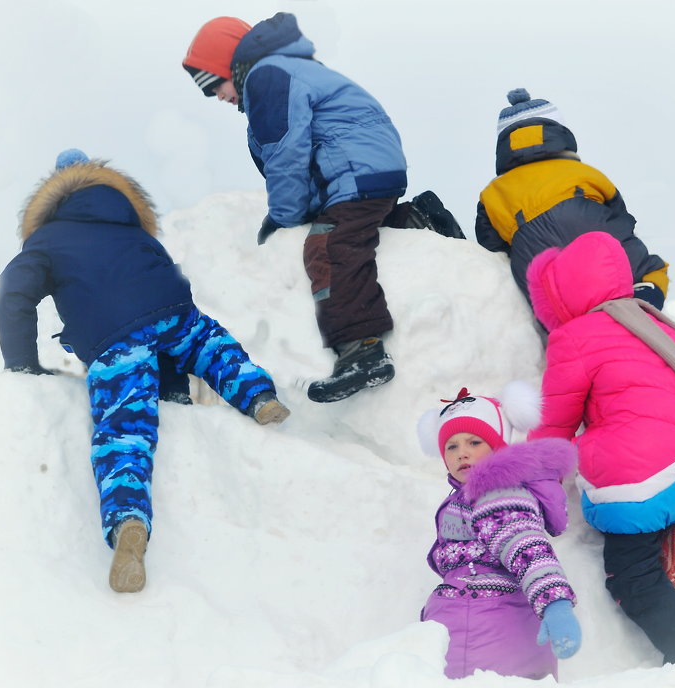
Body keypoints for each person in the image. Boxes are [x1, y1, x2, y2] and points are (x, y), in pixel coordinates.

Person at [0, 149, 290, 593]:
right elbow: (153, 287)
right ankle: (258, 396)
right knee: (211, 346)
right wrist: (171, 389)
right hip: (174, 310)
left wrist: (21, 364)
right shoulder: (133, 229)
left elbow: (13, 297)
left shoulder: (48, 240)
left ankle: (129, 520)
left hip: (116, 338)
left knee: (124, 431)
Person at [182, 12, 465, 404]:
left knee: (328, 247)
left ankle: (361, 350)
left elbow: (287, 155)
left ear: (232, 65)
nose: (218, 96)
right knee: (351, 227)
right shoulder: (283, 70)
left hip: (355, 170)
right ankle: (418, 219)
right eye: (208, 92)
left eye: (216, 84)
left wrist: (285, 216)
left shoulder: (267, 76)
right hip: (365, 168)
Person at [525, 231, 675, 666]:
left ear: (558, 297)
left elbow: (555, 423)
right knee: (649, 488)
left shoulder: (574, 337)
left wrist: (531, 476)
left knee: (631, 579)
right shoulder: (653, 323)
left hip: (639, 474)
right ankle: (674, 528)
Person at [415, 382, 582, 679]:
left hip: (487, 627)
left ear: (497, 446)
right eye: (451, 446)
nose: (462, 453)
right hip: (475, 623)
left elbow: (526, 547)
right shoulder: (465, 497)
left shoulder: (497, 493)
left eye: (474, 442)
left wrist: (555, 603)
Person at [475, 89, 670, 310]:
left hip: (539, 260)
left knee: (552, 306)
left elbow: (490, 244)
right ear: (560, 132)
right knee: (651, 272)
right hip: (596, 233)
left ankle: (566, 324)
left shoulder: (493, 192)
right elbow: (619, 213)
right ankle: (644, 299)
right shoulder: (583, 172)